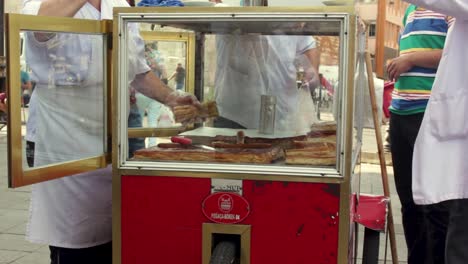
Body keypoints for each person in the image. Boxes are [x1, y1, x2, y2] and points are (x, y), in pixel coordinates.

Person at [21, 1, 200, 263]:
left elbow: (137, 71)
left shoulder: (117, 5)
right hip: (61, 137)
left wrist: (171, 97)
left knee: (112, 232)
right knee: (74, 239)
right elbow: (39, 25)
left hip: (111, 137)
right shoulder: (44, 3)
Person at [385, 5, 452, 263]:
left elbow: (454, 52)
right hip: (400, 113)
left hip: (429, 113)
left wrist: (411, 59)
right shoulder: (410, 10)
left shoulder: (448, 7)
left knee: (434, 204)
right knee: (409, 201)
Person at [404, 0, 468, 263]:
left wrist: (411, 59)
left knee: (452, 226)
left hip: (440, 117)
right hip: (414, 112)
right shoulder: (411, 14)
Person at [213, 33, 320, 133]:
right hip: (235, 115)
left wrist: (311, 69)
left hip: (283, 115)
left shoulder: (291, 15)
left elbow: (307, 44)